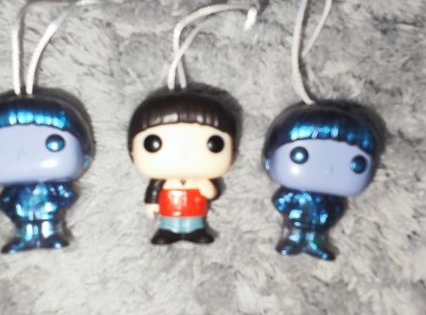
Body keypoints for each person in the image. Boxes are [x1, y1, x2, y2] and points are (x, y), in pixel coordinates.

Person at [0, 90, 93, 253]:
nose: (22, 154)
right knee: (24, 226)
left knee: (48, 224)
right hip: (22, 214)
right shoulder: (14, 190)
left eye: (53, 142)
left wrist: (63, 197)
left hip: (48, 212)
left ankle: (50, 235)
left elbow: (67, 195)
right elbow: (4, 200)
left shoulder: (52, 187)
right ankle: (24, 238)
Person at [262, 102, 380, 260]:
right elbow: (279, 200)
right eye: (300, 155)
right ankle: (292, 242)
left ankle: (315, 246)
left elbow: (338, 208)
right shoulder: (295, 194)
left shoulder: (332, 199)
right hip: (296, 221)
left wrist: (330, 215)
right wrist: (290, 210)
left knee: (316, 238)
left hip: (320, 224)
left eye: (356, 164)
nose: (327, 169)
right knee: (295, 234)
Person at [127, 90, 238, 245]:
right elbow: (153, 191)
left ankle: (195, 230)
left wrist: (207, 188)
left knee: (194, 221)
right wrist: (151, 203)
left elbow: (213, 193)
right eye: (153, 143)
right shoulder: (160, 180)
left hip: (195, 208)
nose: (183, 153)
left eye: (214, 144)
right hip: (169, 208)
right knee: (170, 222)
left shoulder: (202, 179)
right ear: (132, 150)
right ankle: (168, 230)